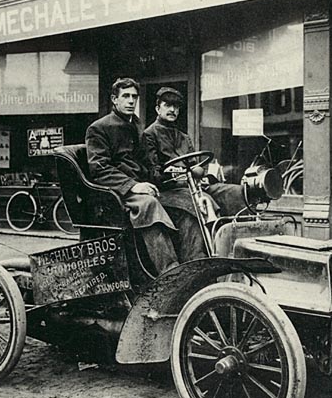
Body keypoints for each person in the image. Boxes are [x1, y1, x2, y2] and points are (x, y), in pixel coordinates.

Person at [85, 78, 180, 275]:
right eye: (125, 96)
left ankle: (191, 264)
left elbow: (146, 163)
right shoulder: (99, 128)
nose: (131, 101)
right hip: (115, 194)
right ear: (114, 99)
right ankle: (170, 274)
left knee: (184, 201)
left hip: (139, 187)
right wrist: (133, 186)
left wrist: (166, 178)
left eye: (134, 97)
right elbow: (99, 169)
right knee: (149, 205)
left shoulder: (136, 126)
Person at [142, 86, 245, 261]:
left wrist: (200, 174)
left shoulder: (184, 137)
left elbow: (196, 166)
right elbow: (154, 174)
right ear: (157, 108)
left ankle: (236, 249)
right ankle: (197, 260)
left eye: (176, 107)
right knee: (195, 207)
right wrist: (180, 174)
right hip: (168, 192)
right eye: (167, 105)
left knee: (234, 192)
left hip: (192, 187)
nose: (173, 110)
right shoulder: (149, 135)